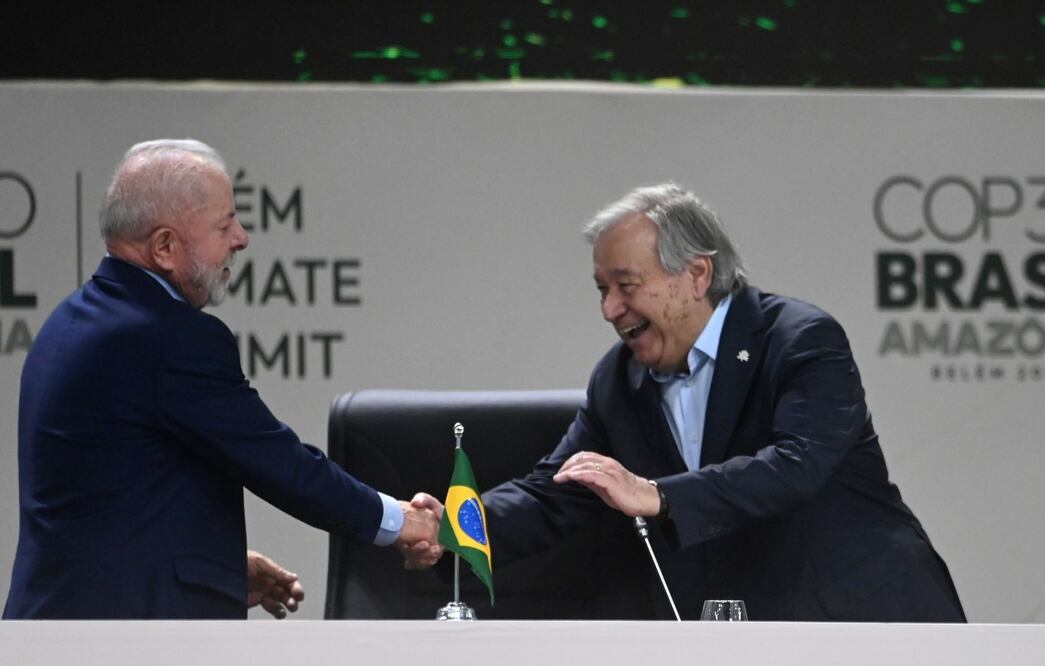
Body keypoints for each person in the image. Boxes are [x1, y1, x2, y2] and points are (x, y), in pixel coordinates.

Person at [412, 183, 966, 622]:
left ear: (697, 274)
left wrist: (656, 495)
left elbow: (797, 467)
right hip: (741, 637)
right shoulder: (619, 379)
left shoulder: (798, 339)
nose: (609, 309)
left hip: (865, 627)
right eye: (601, 289)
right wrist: (457, 530)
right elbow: (557, 492)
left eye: (626, 285)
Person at [4, 139, 441, 619]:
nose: (242, 237)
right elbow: (277, 461)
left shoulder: (68, 323)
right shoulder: (167, 336)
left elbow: (110, 500)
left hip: (61, 628)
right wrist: (401, 522)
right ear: (165, 247)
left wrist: (217, 567)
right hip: (126, 642)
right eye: (224, 224)